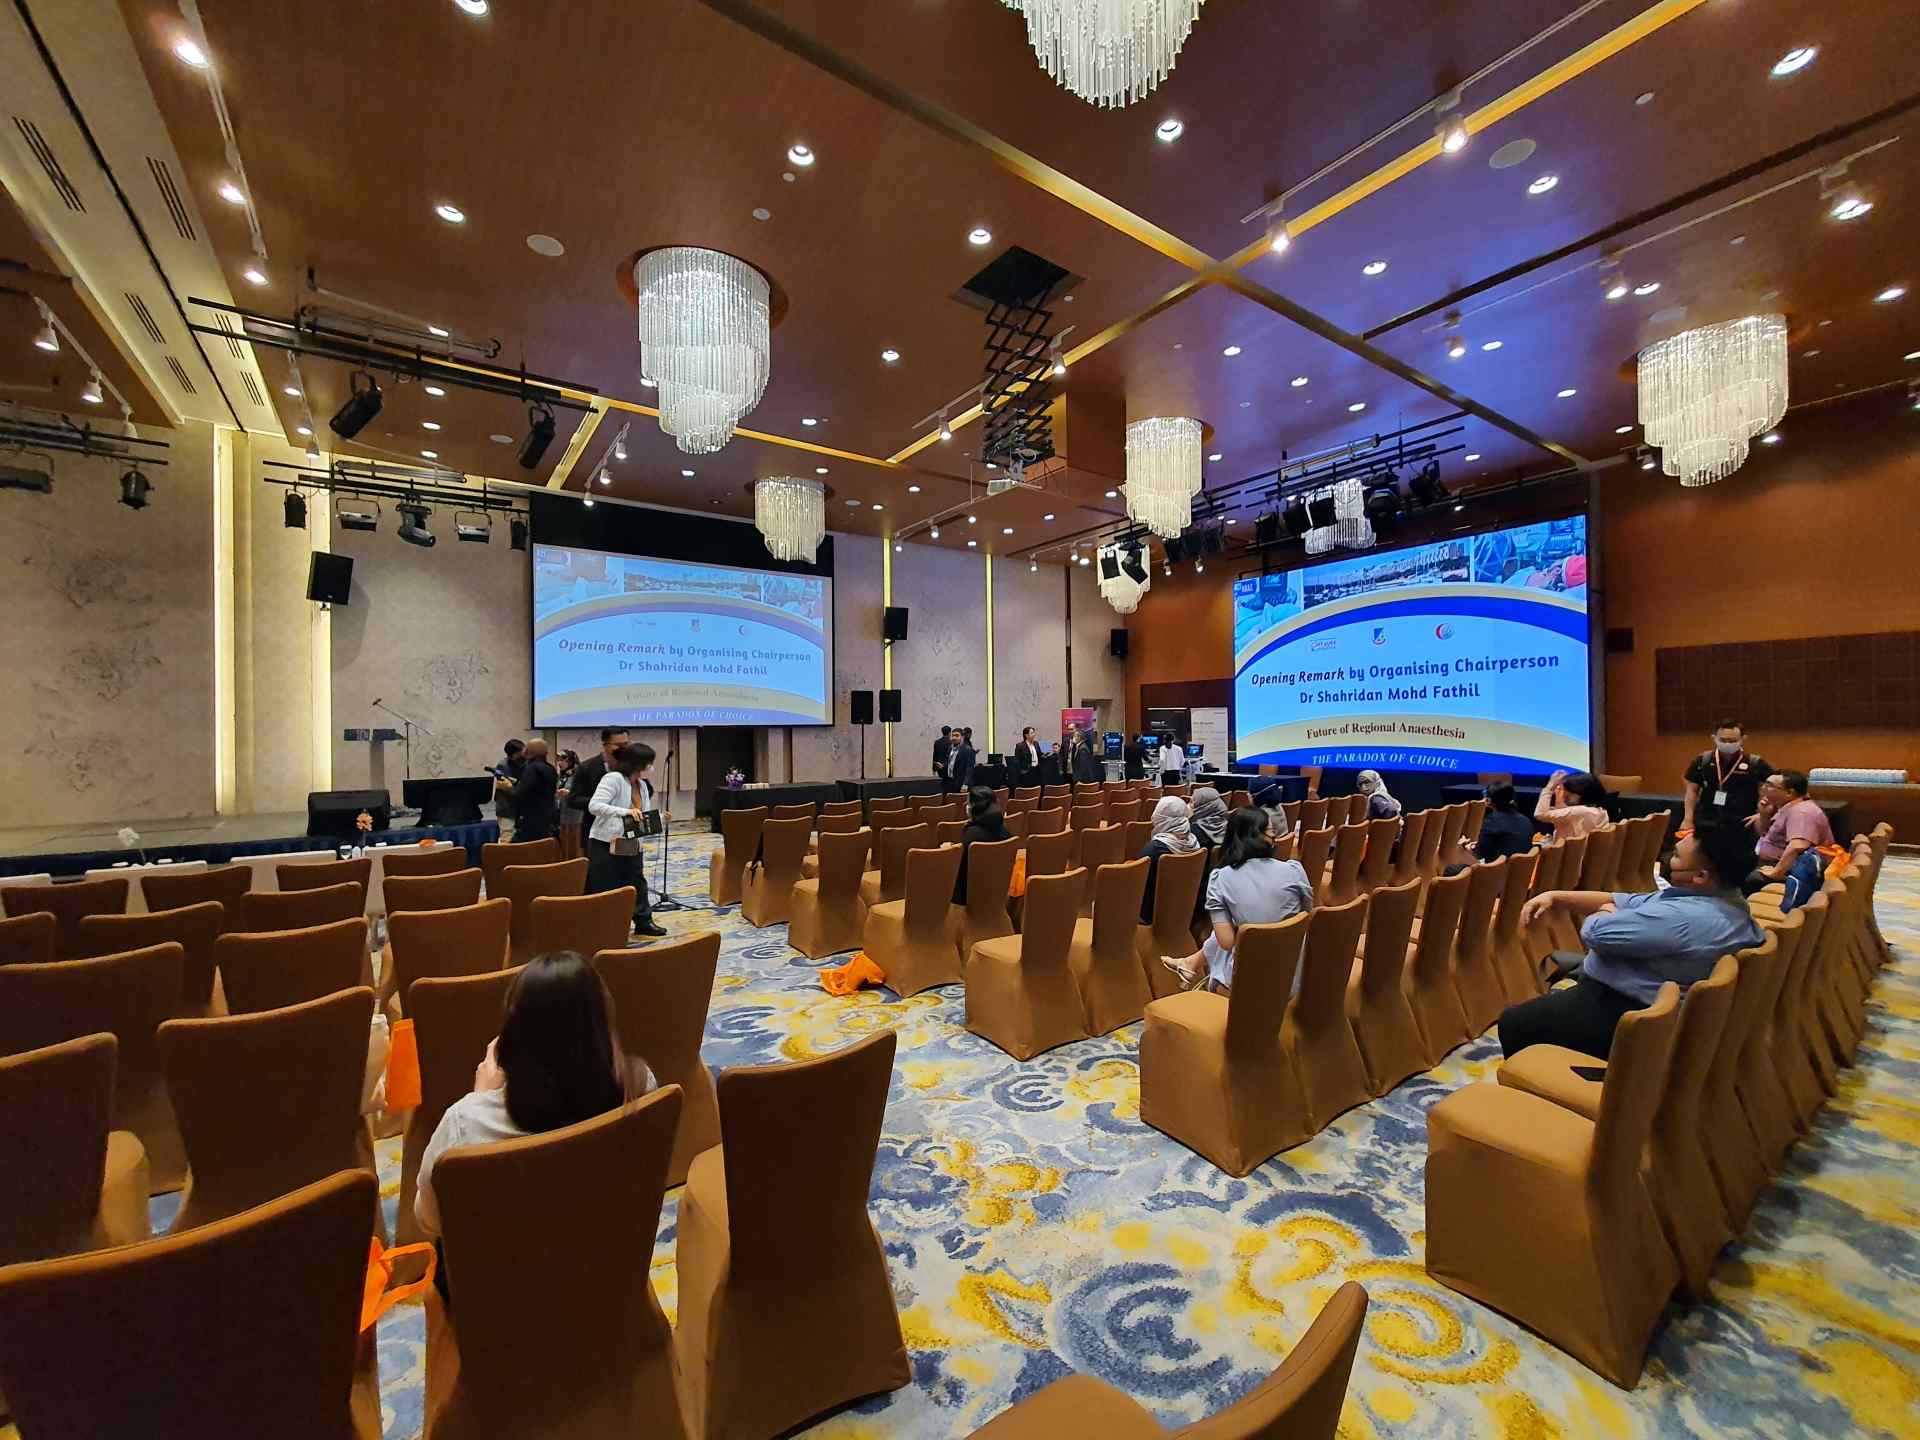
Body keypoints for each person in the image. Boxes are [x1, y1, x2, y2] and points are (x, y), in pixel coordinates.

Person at [413, 951, 653, 1294]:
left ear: (510, 1043)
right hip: (602, 1273)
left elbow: (429, 1220)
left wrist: (479, 1098)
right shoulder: (640, 1087)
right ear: (603, 1029)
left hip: (502, 1299)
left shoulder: (464, 1123)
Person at [1496, 823, 1763, 1060]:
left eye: (1676, 856)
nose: (1668, 860)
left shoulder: (1682, 919)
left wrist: (1606, 912)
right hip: (1647, 999)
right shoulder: (1721, 899)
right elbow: (1622, 900)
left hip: (1626, 1012)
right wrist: (1556, 896)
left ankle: (1533, 1082)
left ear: (1701, 876)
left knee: (1513, 1022)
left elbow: (1595, 932)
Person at [1160, 808, 1315, 993]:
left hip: (1244, 988)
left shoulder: (1220, 879)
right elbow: (1306, 914)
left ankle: (1191, 963)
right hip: (1295, 979)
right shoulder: (1294, 870)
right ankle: (1191, 962)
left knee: (1230, 928)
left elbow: (1226, 942)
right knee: (1238, 923)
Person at [587, 743, 666, 938]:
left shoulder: (642, 785)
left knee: (637, 881)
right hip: (606, 841)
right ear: (637, 763)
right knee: (607, 883)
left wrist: (661, 818)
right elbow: (594, 806)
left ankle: (643, 921)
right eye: (648, 763)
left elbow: (641, 814)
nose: (650, 767)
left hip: (631, 840)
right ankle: (606, 926)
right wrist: (625, 812)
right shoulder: (613, 779)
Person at [1745, 769, 1834, 894]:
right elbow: (1764, 835)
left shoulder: (1802, 812)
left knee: (1750, 878)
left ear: (1789, 793)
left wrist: (1776, 872)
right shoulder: (1784, 807)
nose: (1763, 788)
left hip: (1795, 872)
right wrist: (1764, 815)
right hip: (1772, 861)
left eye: (1769, 785)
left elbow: (1798, 846)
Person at [1681, 719, 1770, 834]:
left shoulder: (1755, 763)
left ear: (1743, 739)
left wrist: (1761, 815)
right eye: (1723, 740)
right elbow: (1692, 791)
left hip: (1743, 823)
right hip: (1708, 821)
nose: (1727, 744)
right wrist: (1688, 819)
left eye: (1732, 741)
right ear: (1714, 738)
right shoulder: (1703, 761)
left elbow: (1774, 789)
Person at [1137, 795, 1203, 923]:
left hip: (1152, 915)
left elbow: (1140, 886)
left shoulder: (1154, 850)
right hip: (1185, 911)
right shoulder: (1195, 843)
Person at [952, 785, 1012, 904]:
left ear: (974, 808)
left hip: (967, 898)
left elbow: (961, 871)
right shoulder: (1005, 831)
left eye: (968, 802)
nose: (966, 805)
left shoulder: (971, 835)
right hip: (997, 894)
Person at [565, 728, 629, 836]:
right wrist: (602, 803)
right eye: (618, 745)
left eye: (626, 744)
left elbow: (647, 790)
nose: (623, 749)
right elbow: (573, 799)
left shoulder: (631, 765)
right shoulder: (587, 767)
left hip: (625, 829)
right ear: (605, 745)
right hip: (595, 830)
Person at [499, 738, 559, 843]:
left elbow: (520, 793)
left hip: (531, 821)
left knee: (516, 849)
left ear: (528, 752)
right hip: (547, 818)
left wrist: (508, 787)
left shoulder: (531, 769)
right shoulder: (551, 768)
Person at [1534, 770, 1609, 839]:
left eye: (1567, 796)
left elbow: (1540, 814)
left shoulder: (1580, 811)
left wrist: (1549, 788)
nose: (1563, 796)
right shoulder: (1598, 811)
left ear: (1580, 793)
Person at [492, 739, 526, 824]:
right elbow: (509, 789)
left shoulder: (525, 763)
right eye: (522, 752)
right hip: (507, 810)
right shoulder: (503, 766)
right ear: (514, 754)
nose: (525, 754)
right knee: (508, 832)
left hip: (522, 809)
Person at [945, 726, 976, 792]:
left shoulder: (968, 750)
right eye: (952, 736)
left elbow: (969, 769)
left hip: (961, 784)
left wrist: (965, 784)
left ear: (962, 737)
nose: (954, 738)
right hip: (950, 782)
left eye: (957, 736)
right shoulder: (950, 748)